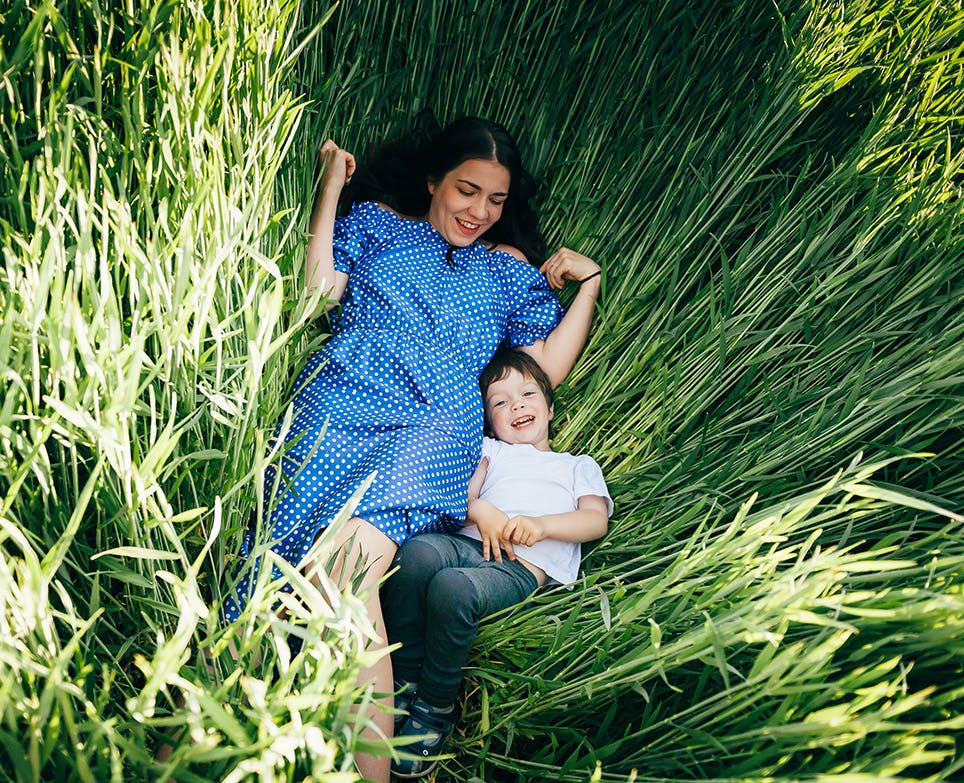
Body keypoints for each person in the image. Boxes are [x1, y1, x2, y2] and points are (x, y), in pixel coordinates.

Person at [222, 114, 602, 782]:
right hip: (340, 400)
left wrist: (589, 283)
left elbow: (549, 365)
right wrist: (329, 190)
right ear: (433, 181)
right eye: (466, 190)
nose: (479, 211)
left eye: (495, 200)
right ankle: (216, 737)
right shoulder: (376, 224)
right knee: (273, 579)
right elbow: (317, 293)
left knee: (345, 566)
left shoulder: (504, 272)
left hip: (436, 423)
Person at [382, 348, 612, 779]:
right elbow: (461, 494)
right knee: (416, 556)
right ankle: (404, 677)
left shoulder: (576, 465)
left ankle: (435, 705)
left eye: (527, 394)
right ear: (490, 420)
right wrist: (478, 510)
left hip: (521, 564)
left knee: (454, 589)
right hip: (470, 543)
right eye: (501, 402)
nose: (517, 405)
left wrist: (543, 527)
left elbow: (594, 519)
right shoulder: (491, 451)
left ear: (549, 406)